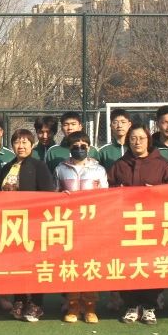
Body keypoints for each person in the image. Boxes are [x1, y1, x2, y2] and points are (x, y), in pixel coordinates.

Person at [107, 119, 168, 325]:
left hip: (153, 226)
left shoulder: (161, 164)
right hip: (126, 226)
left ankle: (150, 306)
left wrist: (157, 191)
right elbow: (106, 190)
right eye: (133, 138)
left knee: (151, 265)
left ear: (148, 140)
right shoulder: (120, 165)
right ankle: (131, 305)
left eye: (141, 138)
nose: (137, 142)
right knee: (128, 265)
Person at [0, 129, 54, 323]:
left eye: (25, 142)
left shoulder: (39, 166)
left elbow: (48, 194)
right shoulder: (7, 167)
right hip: (11, 225)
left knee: (35, 264)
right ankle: (20, 300)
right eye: (17, 142)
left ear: (32, 145)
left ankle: (36, 303)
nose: (21, 146)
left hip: (33, 224)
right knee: (16, 264)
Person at [53, 131, 108, 323]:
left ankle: (90, 307)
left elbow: (105, 196)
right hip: (69, 225)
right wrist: (61, 197)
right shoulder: (60, 169)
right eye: (75, 146)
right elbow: (53, 194)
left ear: (89, 147)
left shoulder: (98, 169)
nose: (79, 149)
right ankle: (73, 306)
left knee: (90, 265)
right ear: (69, 148)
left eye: (83, 146)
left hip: (91, 225)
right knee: (72, 266)